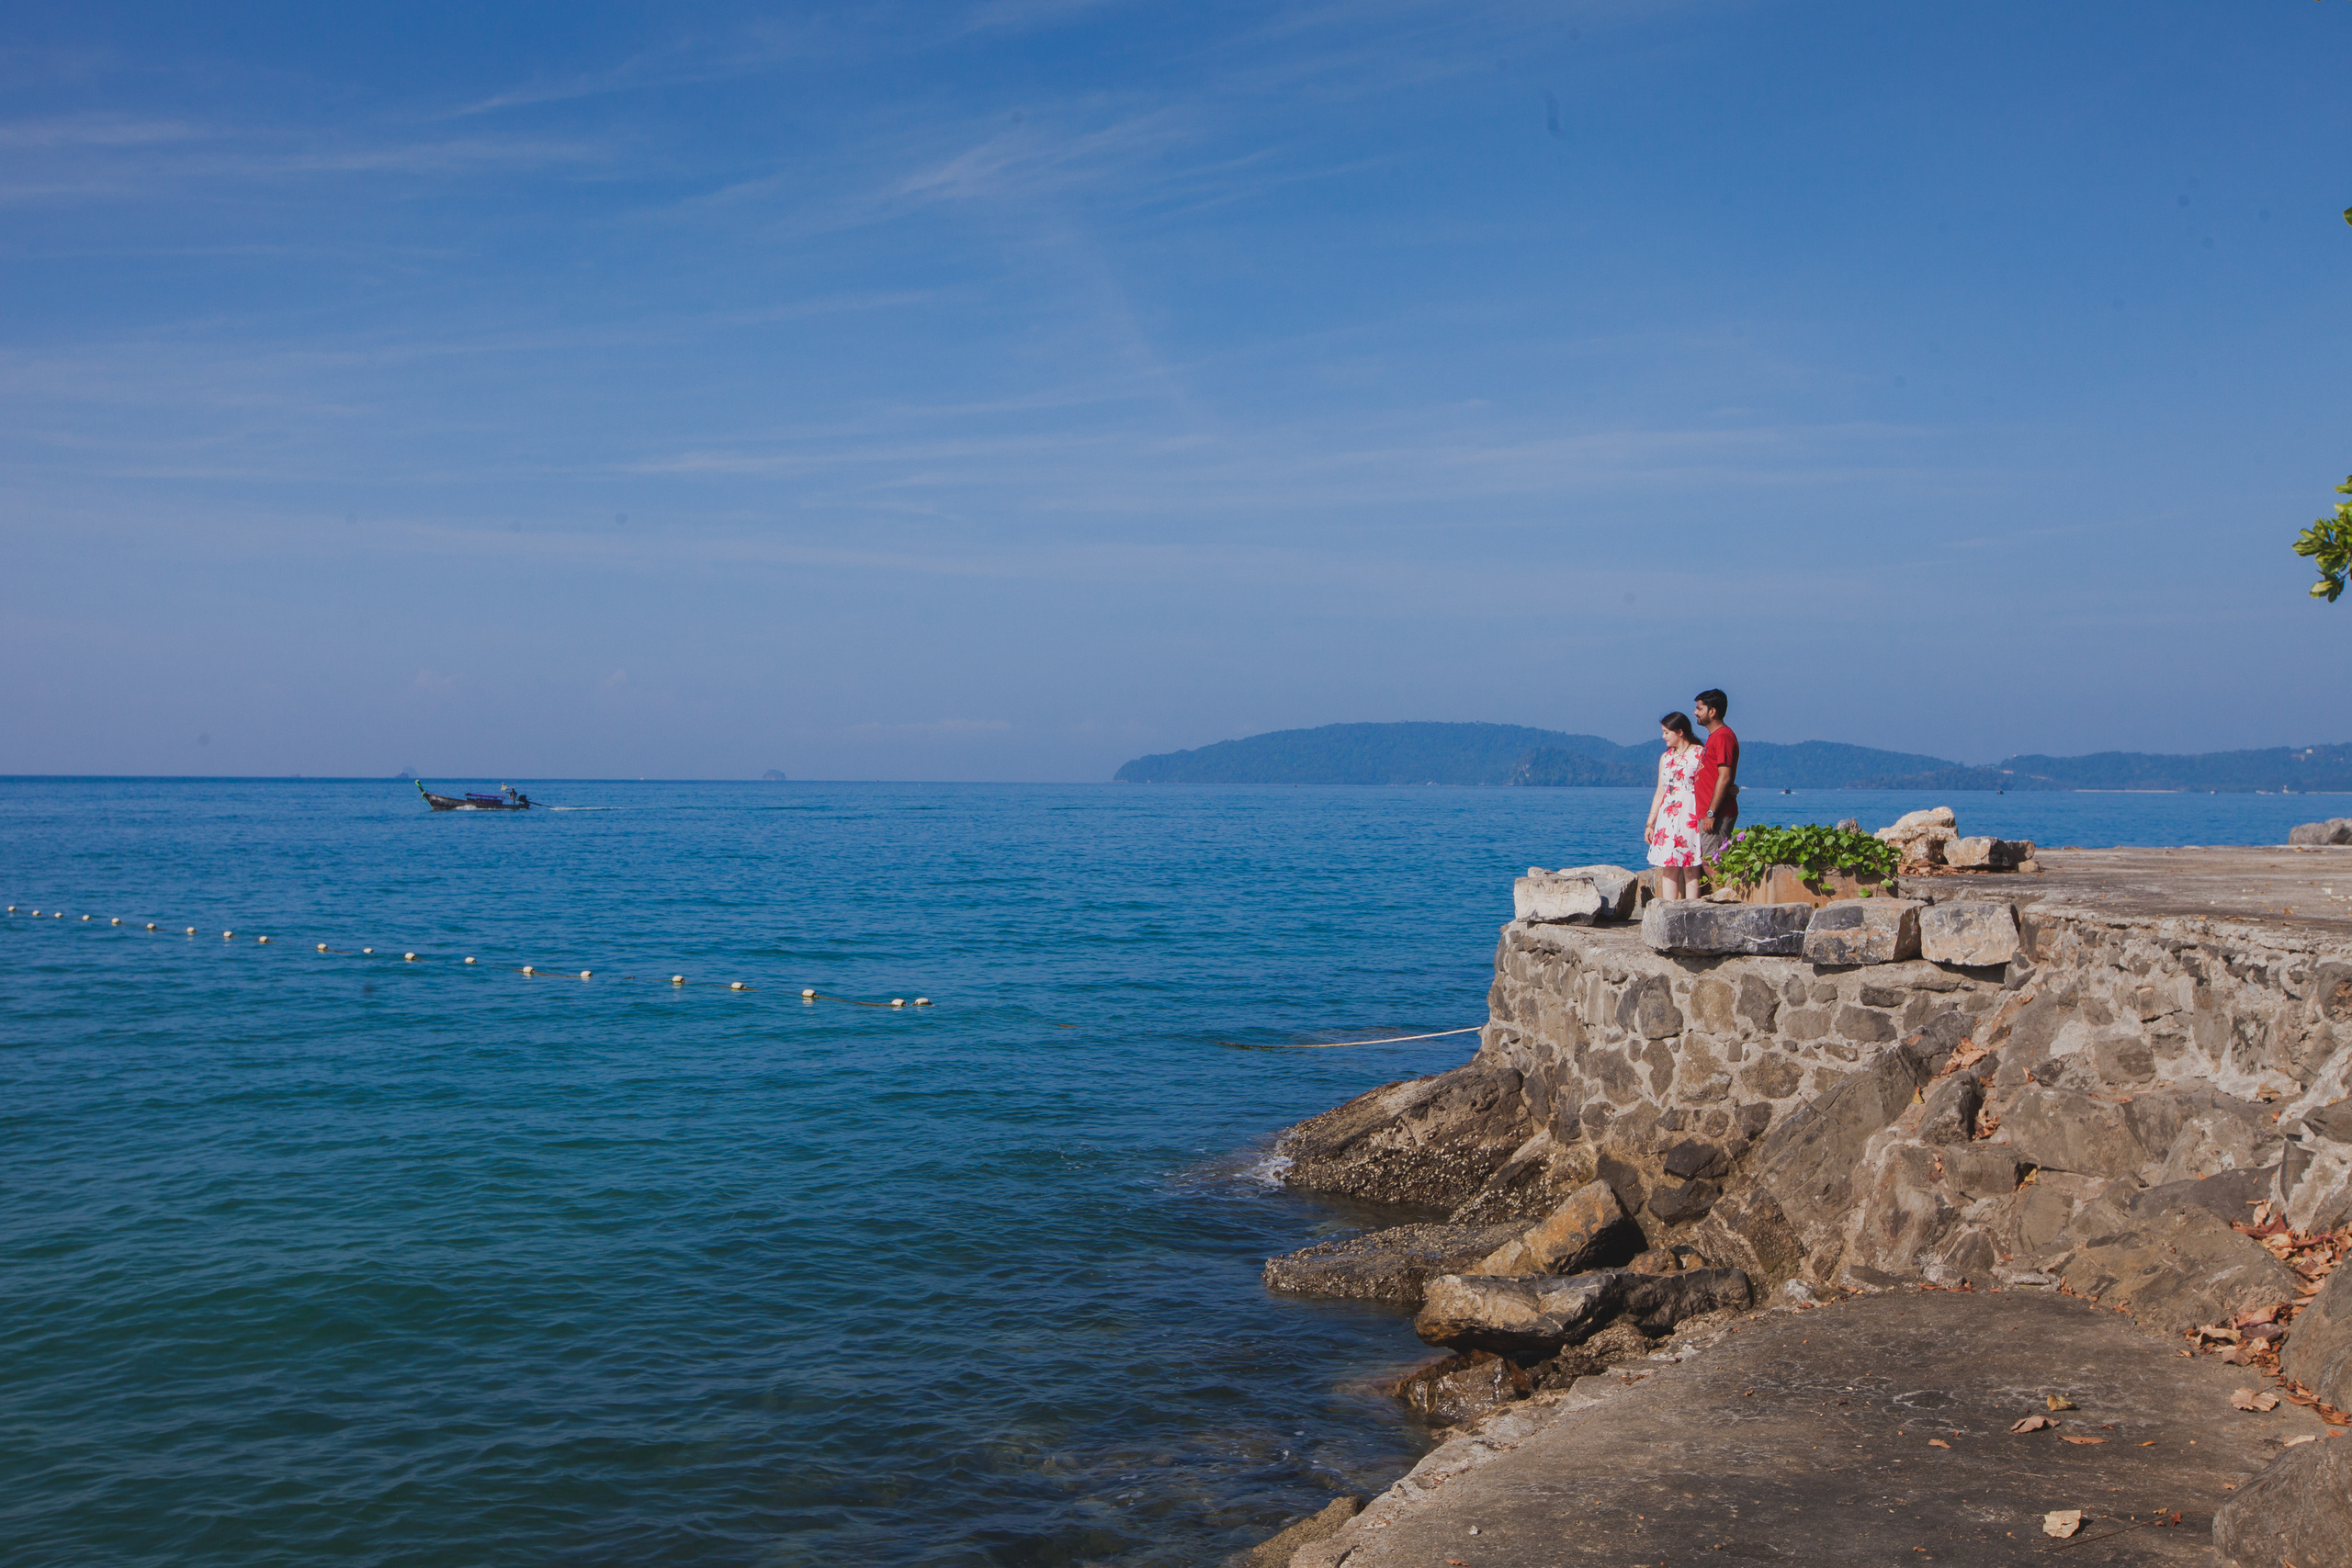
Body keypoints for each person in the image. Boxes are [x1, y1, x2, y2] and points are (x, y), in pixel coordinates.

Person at [1645, 712, 1705, 898]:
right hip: (1668, 815)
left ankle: (1692, 911)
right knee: (1668, 866)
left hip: (1690, 812)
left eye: (1666, 732)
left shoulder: (1699, 753)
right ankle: (1669, 912)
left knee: (1690, 866)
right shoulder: (1666, 757)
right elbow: (1660, 791)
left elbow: (1707, 784)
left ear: (1680, 732)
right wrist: (1650, 823)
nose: (1663, 736)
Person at [1691, 688, 1739, 863]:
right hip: (1708, 812)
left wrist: (1711, 813)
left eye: (1700, 708)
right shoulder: (1714, 737)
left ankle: (1724, 892)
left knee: (1714, 864)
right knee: (1709, 862)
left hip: (1717, 814)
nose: (1695, 712)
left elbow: (1725, 776)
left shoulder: (1723, 737)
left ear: (1712, 712)